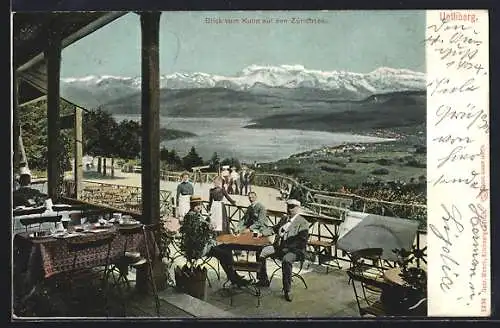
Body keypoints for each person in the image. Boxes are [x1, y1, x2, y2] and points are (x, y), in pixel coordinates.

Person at [183, 196, 250, 287]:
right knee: (225, 254)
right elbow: (197, 231)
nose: (199, 207)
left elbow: (202, 226)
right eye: (196, 205)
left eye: (200, 205)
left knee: (226, 249)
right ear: (192, 206)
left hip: (203, 244)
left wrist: (208, 223)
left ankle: (234, 277)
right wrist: (209, 226)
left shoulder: (194, 215)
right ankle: (234, 278)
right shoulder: (191, 216)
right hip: (198, 248)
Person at [258, 199, 309, 302]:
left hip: (295, 251)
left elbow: (302, 242)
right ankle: (263, 279)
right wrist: (261, 233)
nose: (289, 209)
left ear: (298, 208)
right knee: (261, 251)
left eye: (292, 207)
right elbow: (274, 228)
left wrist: (289, 248)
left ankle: (287, 290)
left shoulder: (303, 222)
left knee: (286, 260)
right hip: (280, 248)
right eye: (288, 207)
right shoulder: (284, 219)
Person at [234, 192, 273, 285]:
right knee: (237, 241)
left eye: (252, 197)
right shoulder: (250, 208)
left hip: (260, 232)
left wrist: (249, 229)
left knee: (258, 251)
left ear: (256, 197)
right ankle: (238, 270)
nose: (251, 199)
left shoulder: (261, 207)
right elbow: (244, 219)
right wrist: (238, 228)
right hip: (252, 231)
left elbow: (260, 222)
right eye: (249, 197)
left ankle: (262, 278)